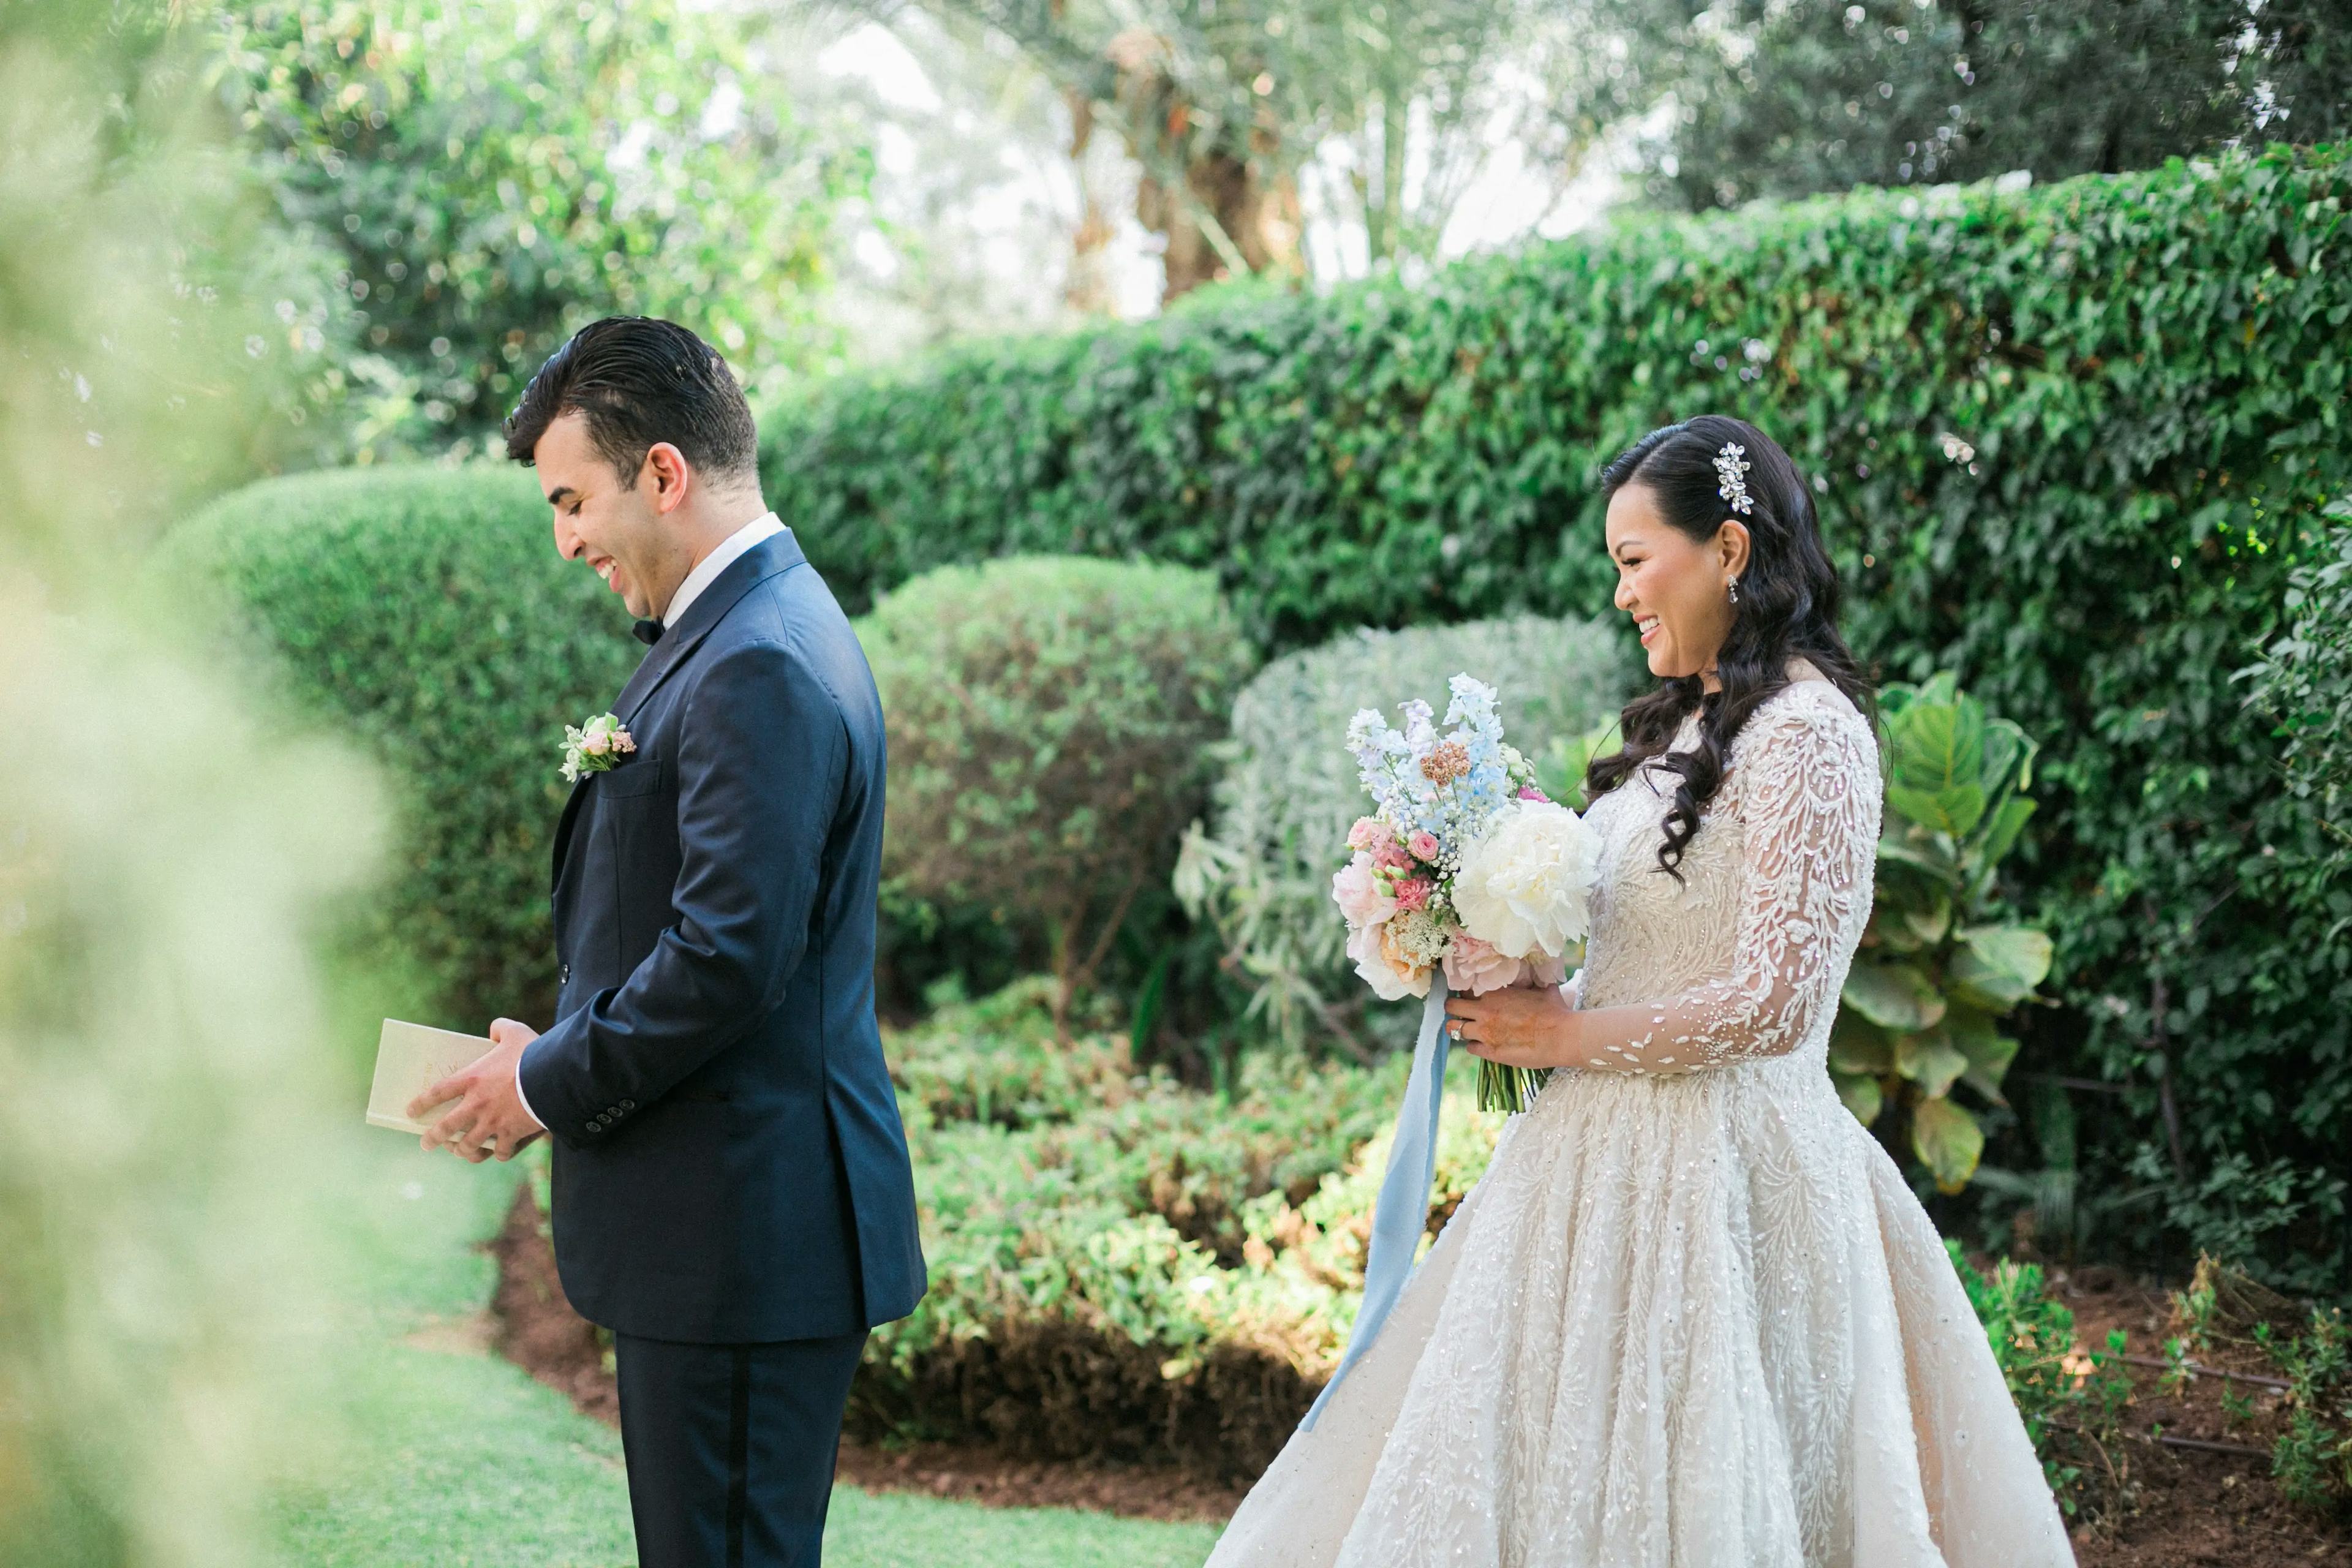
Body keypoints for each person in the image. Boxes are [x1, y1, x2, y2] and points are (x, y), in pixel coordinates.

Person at [1205, 415, 2073, 1567]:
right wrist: (1500, 956)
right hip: (1582, 1177)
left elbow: (1773, 1005)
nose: (1621, 595)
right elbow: (1649, 945)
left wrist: (1559, 1034)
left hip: (1730, 1180)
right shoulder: (1687, 722)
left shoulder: (1810, 734)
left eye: (1632, 560)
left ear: (1727, 547)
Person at [407, 316, 926, 1568]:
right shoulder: (740, 631)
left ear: (664, 473)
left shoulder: (759, 660)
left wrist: (540, 1082)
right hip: (726, 1228)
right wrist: (562, 1039)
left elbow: (727, 961)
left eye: (573, 498)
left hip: (744, 1241)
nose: (566, 538)